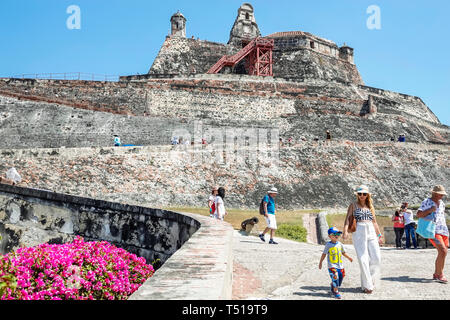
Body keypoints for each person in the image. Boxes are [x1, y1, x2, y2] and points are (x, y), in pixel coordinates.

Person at [343, 185, 382, 294]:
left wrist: (379, 236)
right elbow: (347, 219)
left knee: (376, 257)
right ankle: (368, 285)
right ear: (357, 195)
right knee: (363, 258)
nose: (362, 196)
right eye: (360, 194)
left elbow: (374, 222)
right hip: (359, 230)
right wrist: (345, 231)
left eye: (364, 194)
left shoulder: (370, 206)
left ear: (367, 195)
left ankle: (372, 280)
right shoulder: (353, 205)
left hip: (371, 231)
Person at [416, 185, 448, 284]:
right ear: (434, 193)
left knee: (443, 252)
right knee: (442, 251)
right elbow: (418, 214)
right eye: (440, 194)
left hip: (443, 230)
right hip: (433, 230)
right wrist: (430, 210)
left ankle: (436, 273)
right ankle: (440, 275)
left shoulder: (442, 203)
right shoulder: (427, 201)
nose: (442, 196)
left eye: (443, 194)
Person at [319, 227, 353, 299]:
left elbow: (343, 253)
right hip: (332, 265)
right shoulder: (328, 245)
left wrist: (349, 258)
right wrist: (320, 262)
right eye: (334, 234)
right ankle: (336, 291)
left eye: (338, 234)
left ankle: (333, 285)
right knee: (335, 276)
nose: (336, 235)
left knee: (341, 277)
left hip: (340, 265)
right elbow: (324, 254)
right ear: (329, 236)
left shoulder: (340, 244)